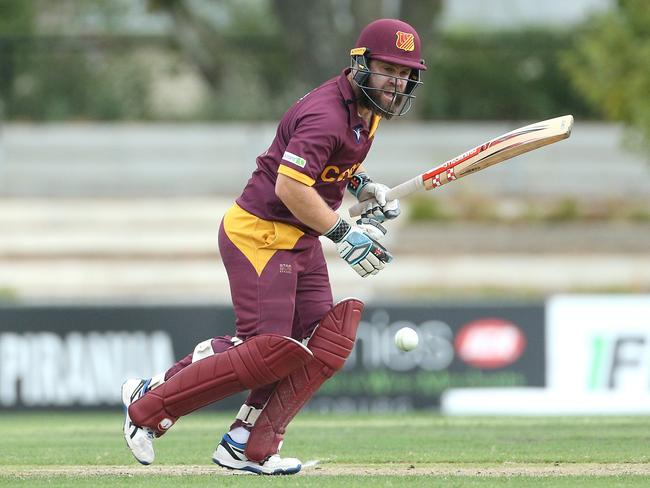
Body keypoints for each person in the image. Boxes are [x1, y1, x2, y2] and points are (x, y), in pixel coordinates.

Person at [121, 18, 426, 475]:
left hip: (299, 237)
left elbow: (328, 169)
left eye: (405, 73)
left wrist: (363, 187)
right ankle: (148, 408)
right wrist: (345, 233)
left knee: (324, 340)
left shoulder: (369, 112)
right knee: (267, 349)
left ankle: (245, 444)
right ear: (360, 65)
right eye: (388, 69)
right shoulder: (326, 114)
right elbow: (289, 186)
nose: (396, 82)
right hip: (259, 234)